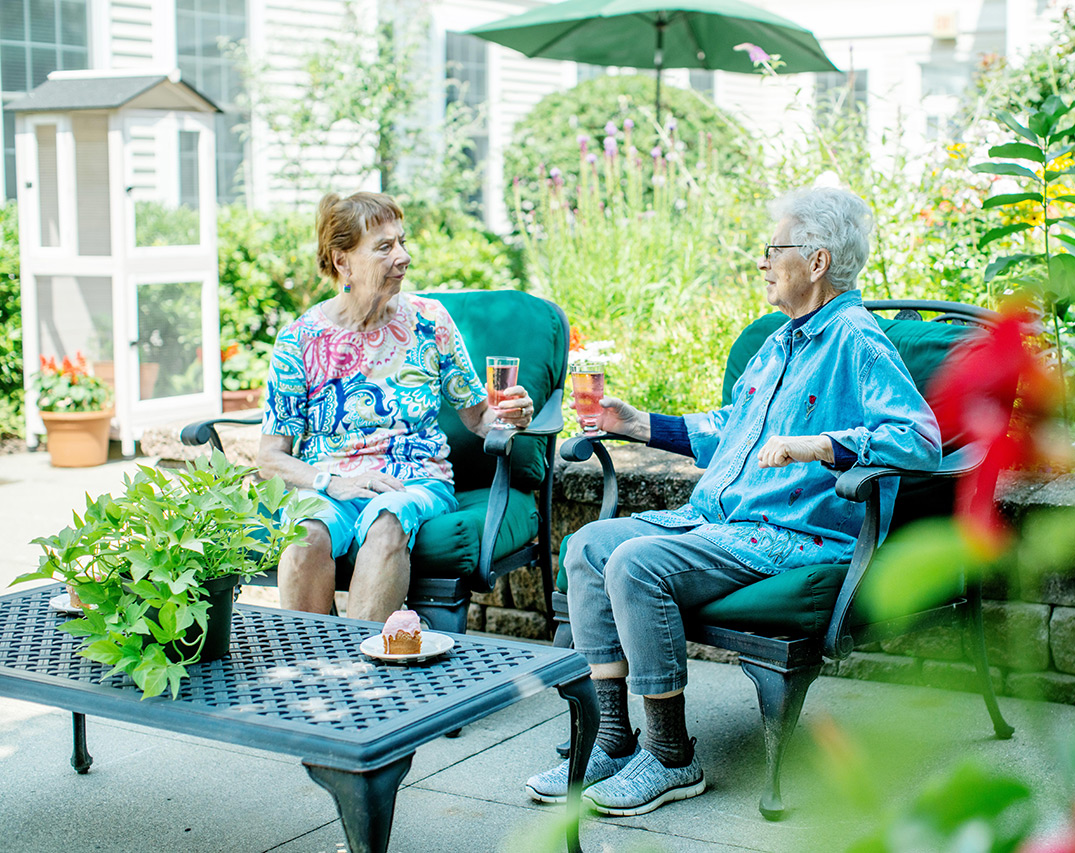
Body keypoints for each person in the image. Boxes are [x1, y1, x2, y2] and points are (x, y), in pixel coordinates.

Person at [526, 186, 942, 815]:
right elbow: (733, 427)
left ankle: (670, 757)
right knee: (586, 546)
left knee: (635, 563)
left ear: (818, 260)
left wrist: (824, 444)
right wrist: (635, 422)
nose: (762, 261)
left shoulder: (857, 339)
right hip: (715, 521)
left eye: (774, 248)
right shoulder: (781, 341)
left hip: (787, 534)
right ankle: (611, 741)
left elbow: (921, 440)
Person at [258, 192, 534, 623]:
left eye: (402, 242)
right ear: (342, 261)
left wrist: (514, 415)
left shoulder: (430, 321)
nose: (403, 257)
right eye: (385, 247)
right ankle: (308, 669)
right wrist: (334, 482)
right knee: (306, 533)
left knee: (388, 518)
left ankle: (364, 671)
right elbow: (270, 457)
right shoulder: (300, 340)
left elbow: (479, 417)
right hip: (332, 483)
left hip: (416, 482)